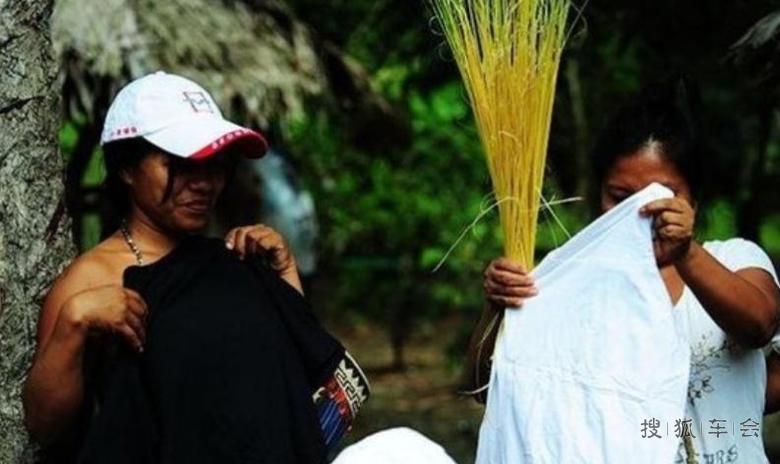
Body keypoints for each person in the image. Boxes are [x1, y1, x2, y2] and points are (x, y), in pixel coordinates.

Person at [22, 71, 358, 463]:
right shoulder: (90, 280)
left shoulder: (232, 260)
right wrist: (73, 323)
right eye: (181, 164)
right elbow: (44, 427)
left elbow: (291, 384)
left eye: (216, 165)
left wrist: (285, 278)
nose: (204, 183)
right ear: (128, 168)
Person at [475, 77, 780, 463]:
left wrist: (685, 253)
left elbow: (760, 325)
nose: (640, 213)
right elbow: (492, 388)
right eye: (620, 199)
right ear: (597, 196)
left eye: (661, 198)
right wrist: (497, 307)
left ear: (694, 200)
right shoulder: (570, 285)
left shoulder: (735, 258)